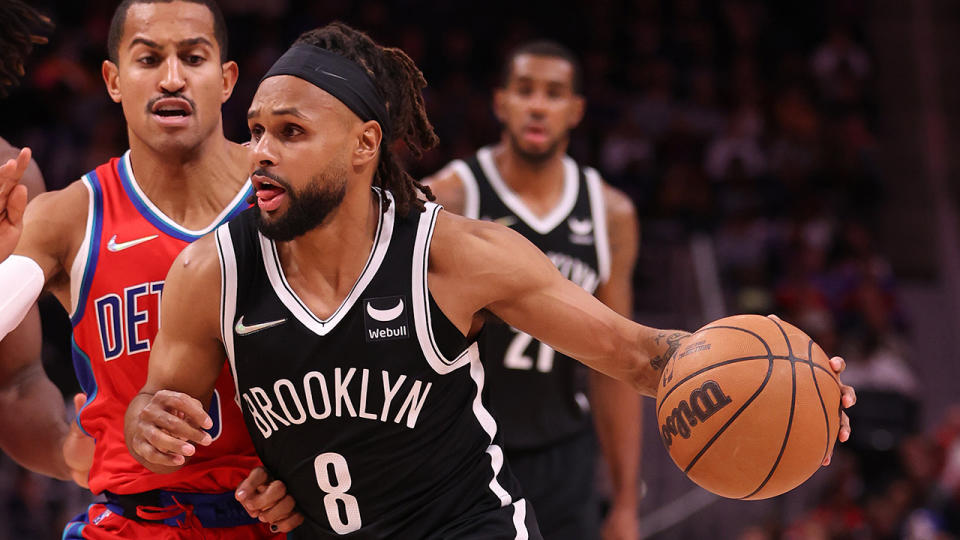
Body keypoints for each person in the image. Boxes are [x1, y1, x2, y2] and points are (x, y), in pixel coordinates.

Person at [124, 22, 857, 538]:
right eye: (254, 130)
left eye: (290, 132)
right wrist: (156, 430)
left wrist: (797, 389)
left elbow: (641, 356)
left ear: (363, 146)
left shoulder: (455, 255)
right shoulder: (209, 271)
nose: (259, 152)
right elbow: (160, 420)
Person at [0, 0, 299, 536]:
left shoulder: (290, 198)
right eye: (148, 59)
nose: (171, 78)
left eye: (193, 57)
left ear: (227, 79)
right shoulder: (69, 216)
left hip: (279, 517)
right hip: (134, 522)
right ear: (113, 80)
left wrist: (318, 471)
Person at [424, 40, 643, 539]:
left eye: (554, 93)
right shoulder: (453, 196)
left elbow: (617, 366)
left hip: (564, 449)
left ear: (576, 111)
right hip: (465, 451)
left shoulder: (610, 213)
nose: (539, 105)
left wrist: (627, 502)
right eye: (525, 91)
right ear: (501, 102)